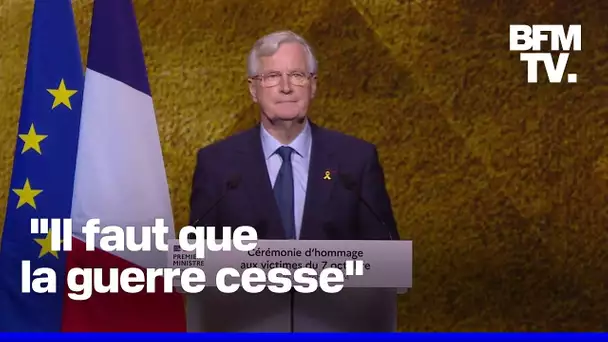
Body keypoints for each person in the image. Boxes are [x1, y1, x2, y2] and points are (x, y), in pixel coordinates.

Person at [189, 30, 398, 241]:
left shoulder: (356, 161)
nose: (286, 88)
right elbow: (197, 261)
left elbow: (385, 258)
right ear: (253, 89)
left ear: (313, 85)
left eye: (297, 76)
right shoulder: (216, 164)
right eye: (272, 76)